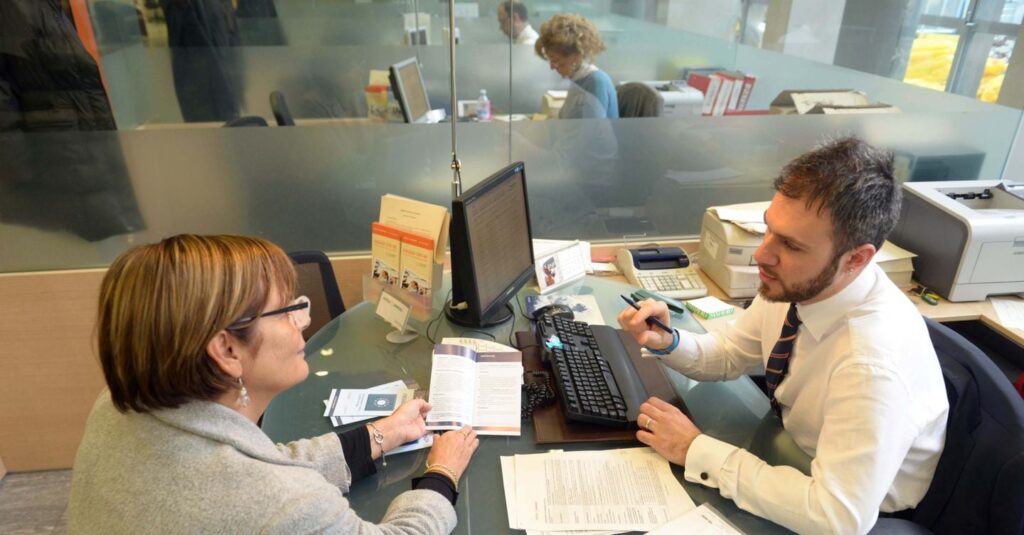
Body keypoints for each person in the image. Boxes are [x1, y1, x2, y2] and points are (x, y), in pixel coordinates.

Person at [618, 138, 948, 534]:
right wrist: (669, 341)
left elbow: (836, 518)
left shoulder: (872, 365)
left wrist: (694, 449)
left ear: (856, 259)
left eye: (790, 244)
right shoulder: (802, 285)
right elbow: (730, 353)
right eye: (769, 229)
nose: (762, 255)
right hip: (788, 457)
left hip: (846, 513)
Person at [68, 234, 479, 534]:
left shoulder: (117, 407)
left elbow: (257, 462)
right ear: (227, 350)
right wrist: (441, 473)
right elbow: (266, 492)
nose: (303, 321)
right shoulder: (282, 505)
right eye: (286, 311)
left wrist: (380, 434)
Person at [535, 14, 618, 119]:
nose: (552, 67)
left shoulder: (595, 82)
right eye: (550, 60)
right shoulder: (578, 78)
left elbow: (592, 129)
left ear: (577, 56)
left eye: (556, 60)